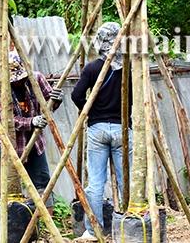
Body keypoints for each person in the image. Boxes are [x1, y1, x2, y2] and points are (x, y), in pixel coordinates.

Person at [71, 22, 131, 238]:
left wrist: (90, 109)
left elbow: (76, 95)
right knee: (126, 180)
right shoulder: (128, 68)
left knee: (96, 183)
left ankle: (92, 230)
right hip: (122, 129)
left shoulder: (92, 68)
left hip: (97, 130)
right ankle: (127, 226)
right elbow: (133, 98)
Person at [0, 51, 64, 213]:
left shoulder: (36, 79)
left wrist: (57, 98)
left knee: (42, 183)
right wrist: (30, 122)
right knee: (12, 187)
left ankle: (44, 222)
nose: (18, 82)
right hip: (10, 144)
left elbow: (49, 101)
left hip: (35, 141)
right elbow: (6, 120)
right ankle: (15, 223)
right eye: (15, 80)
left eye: (20, 78)